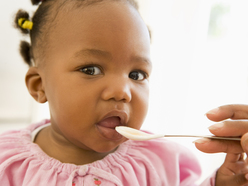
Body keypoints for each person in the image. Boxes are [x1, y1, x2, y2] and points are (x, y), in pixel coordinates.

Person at [0, 0, 248, 185]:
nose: (122, 92)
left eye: (136, 75)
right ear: (39, 85)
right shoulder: (7, 163)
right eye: (91, 69)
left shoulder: (160, 163)